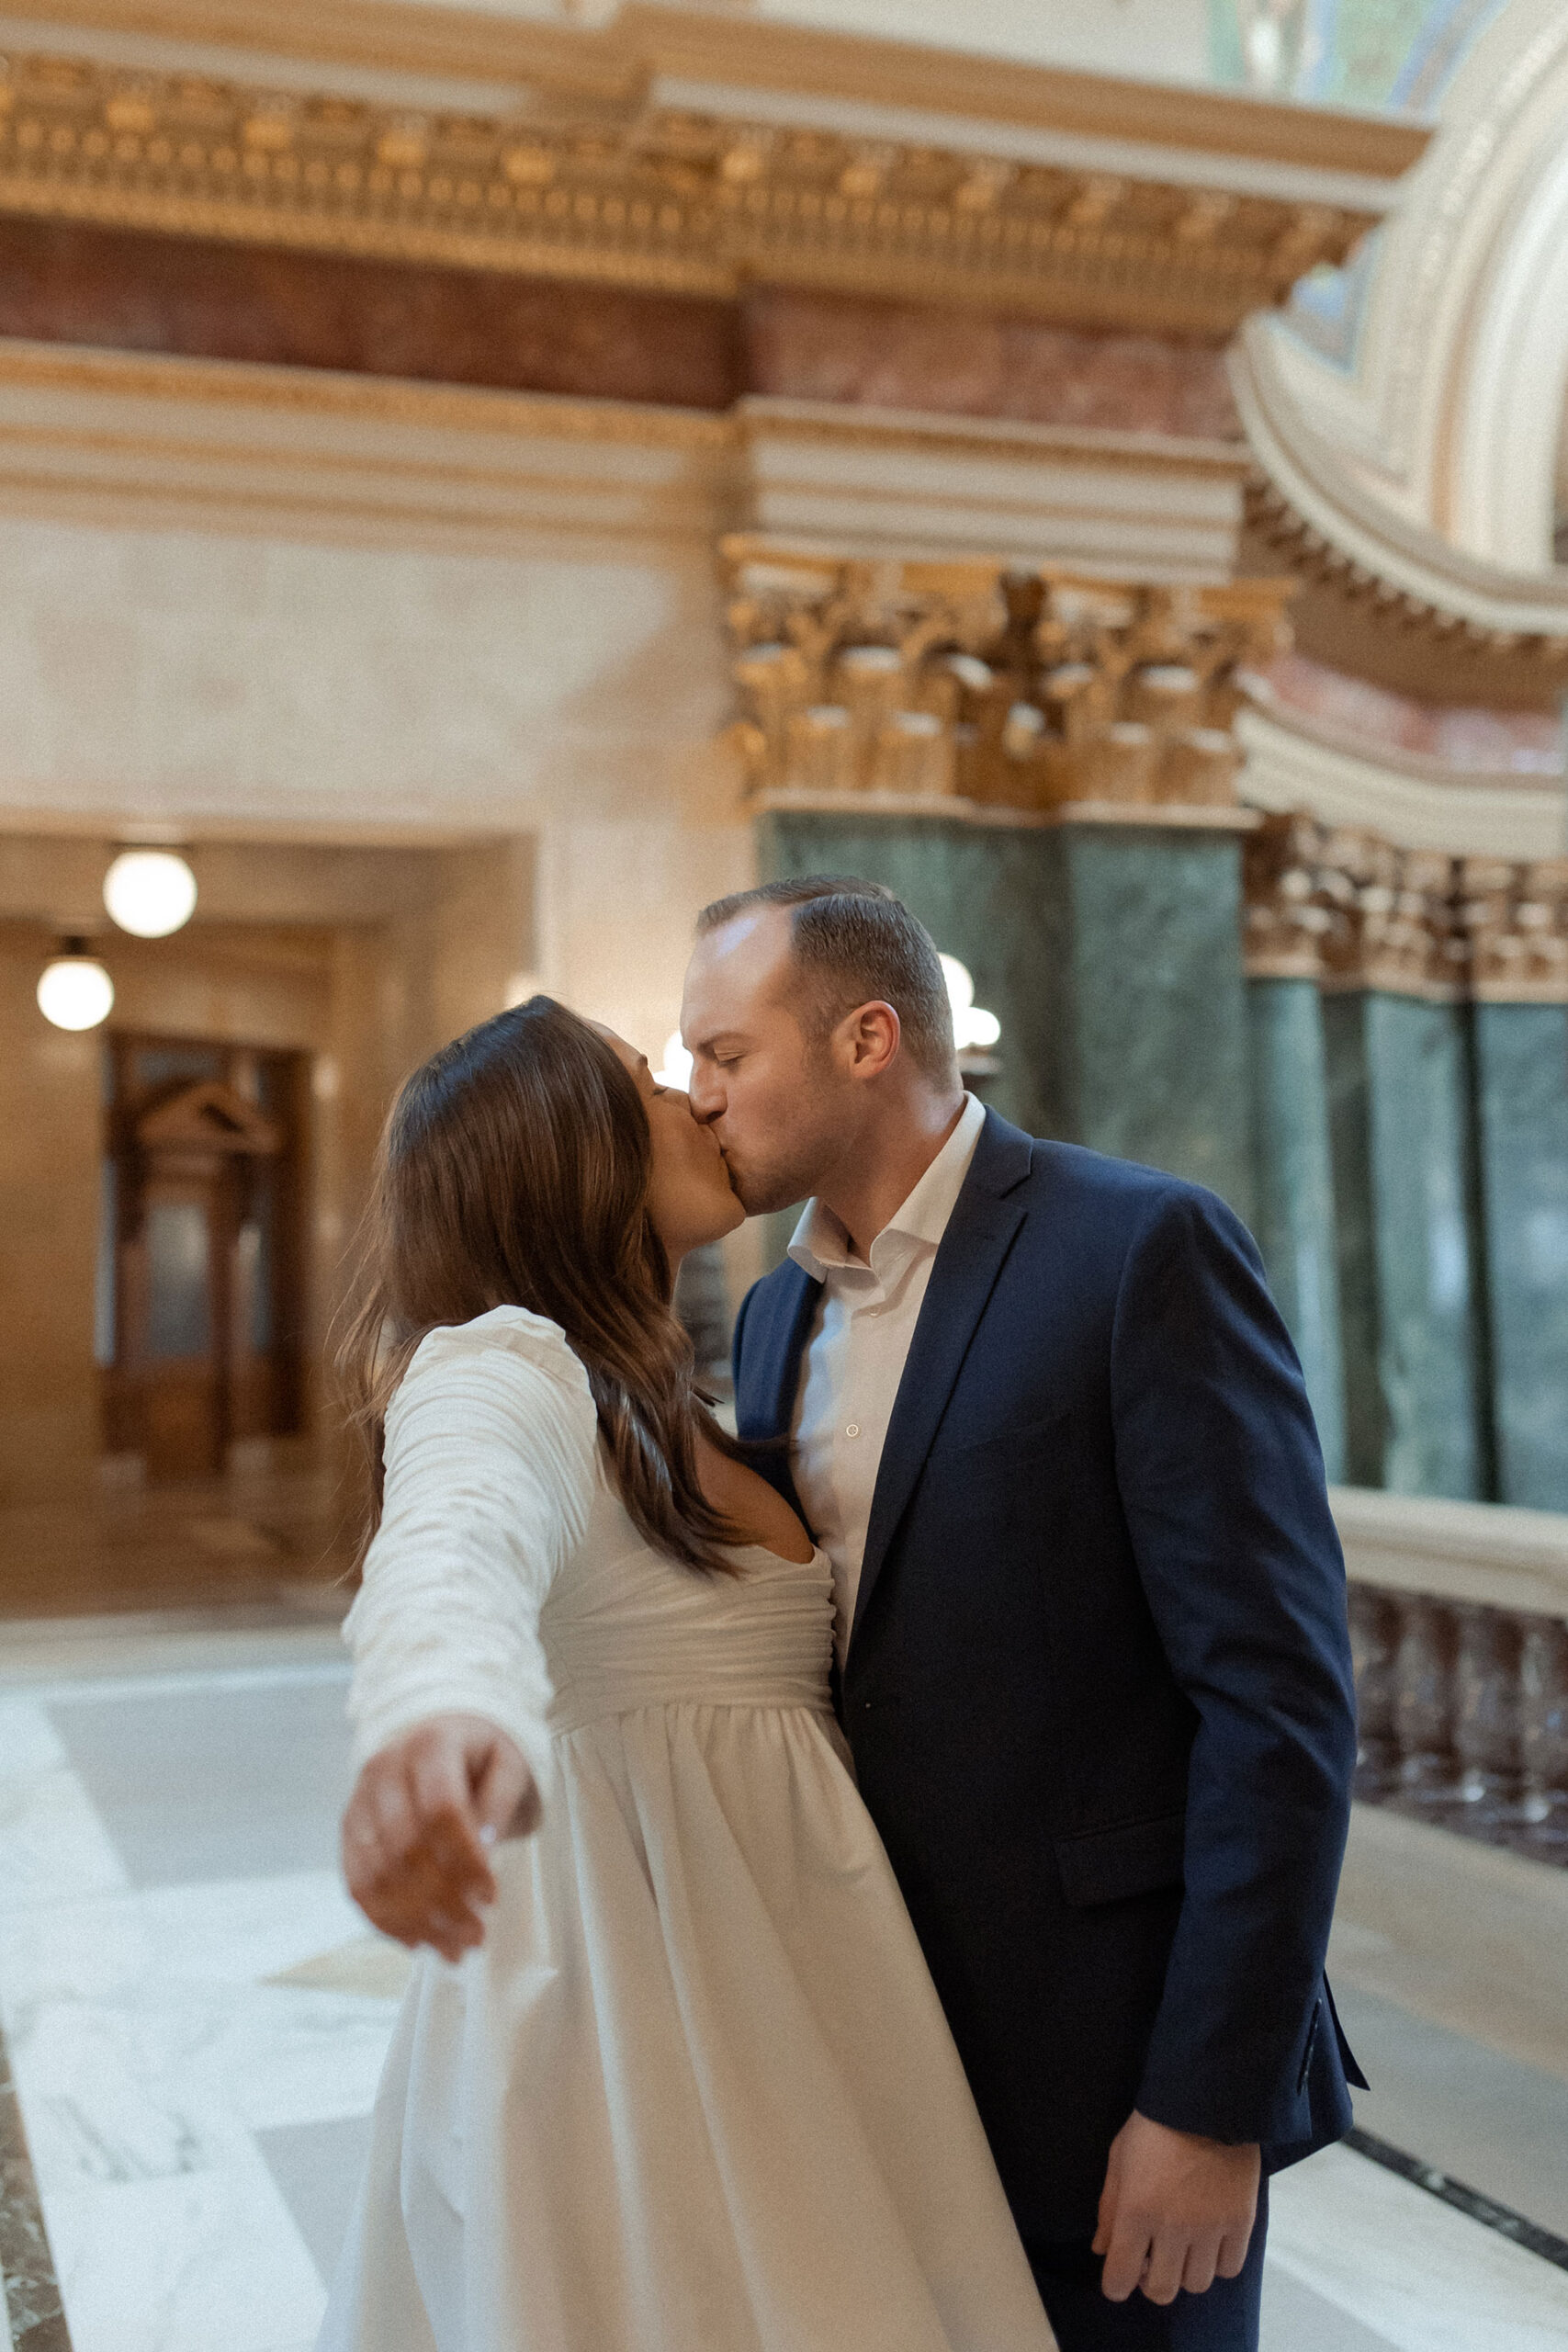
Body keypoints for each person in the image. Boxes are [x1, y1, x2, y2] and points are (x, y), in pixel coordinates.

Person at [682, 876, 1366, 2352]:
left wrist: (1205, 2101)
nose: (699, 1097)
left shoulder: (1138, 1249)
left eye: (726, 1055)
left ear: (867, 1036)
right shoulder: (772, 1313)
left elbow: (1279, 1706)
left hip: (1114, 2064)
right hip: (877, 2048)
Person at [317, 996, 1056, 2352]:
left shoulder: (672, 1404)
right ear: (567, 1149)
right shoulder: (505, 1369)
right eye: (651, 1081)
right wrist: (435, 1713)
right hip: (640, 2013)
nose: (696, 1101)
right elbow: (453, 1543)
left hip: (786, 1977)